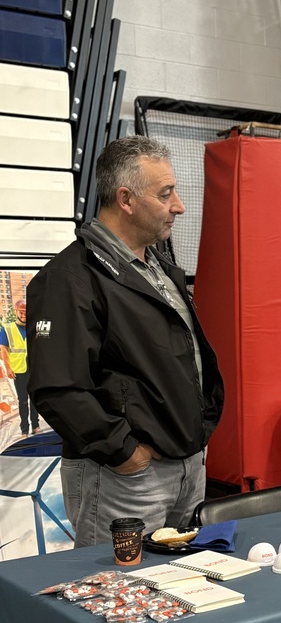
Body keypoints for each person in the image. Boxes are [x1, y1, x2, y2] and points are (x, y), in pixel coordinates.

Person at [26, 135, 224, 547]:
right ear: (126, 199)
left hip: (187, 467)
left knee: (182, 578)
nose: (179, 206)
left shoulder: (158, 270)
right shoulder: (70, 279)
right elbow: (57, 388)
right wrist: (124, 453)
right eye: (165, 194)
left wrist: (200, 430)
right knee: (117, 585)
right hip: (126, 477)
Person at [0, 299, 40, 438]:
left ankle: (35, 426)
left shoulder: (34, 327)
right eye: (21, 311)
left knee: (34, 398)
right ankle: (24, 429)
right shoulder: (7, 328)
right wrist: (8, 368)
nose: (23, 315)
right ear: (16, 311)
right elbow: (4, 349)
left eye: (26, 312)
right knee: (22, 400)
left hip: (34, 369)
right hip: (18, 370)